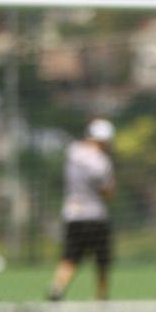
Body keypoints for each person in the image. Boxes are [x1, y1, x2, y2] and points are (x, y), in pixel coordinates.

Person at [47, 118, 116, 301]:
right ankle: (101, 295)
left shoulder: (73, 152)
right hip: (94, 215)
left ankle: (57, 288)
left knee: (70, 256)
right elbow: (106, 191)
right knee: (101, 259)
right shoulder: (101, 161)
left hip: (72, 213)